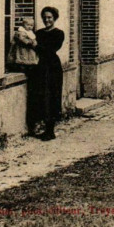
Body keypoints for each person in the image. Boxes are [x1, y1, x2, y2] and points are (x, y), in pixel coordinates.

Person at [34, 7, 65, 141]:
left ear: (54, 19)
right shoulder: (39, 33)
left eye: (50, 18)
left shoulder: (59, 33)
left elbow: (51, 50)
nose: (47, 20)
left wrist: (36, 46)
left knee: (52, 96)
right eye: (45, 17)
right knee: (42, 96)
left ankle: (50, 130)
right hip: (40, 67)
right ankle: (44, 127)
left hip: (52, 67)